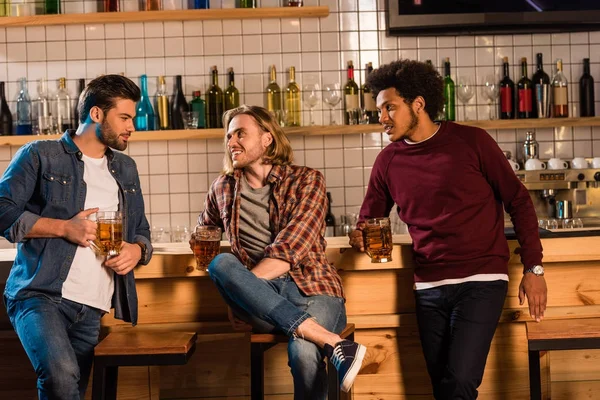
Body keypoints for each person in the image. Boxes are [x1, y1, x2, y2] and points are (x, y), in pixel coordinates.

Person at [348, 60, 547, 400]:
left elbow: (519, 201)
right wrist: (360, 236)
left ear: (419, 104)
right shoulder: (387, 162)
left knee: (459, 381)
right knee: (444, 387)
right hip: (428, 287)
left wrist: (534, 267)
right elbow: (369, 221)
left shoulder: (473, 142)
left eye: (389, 108)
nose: (381, 118)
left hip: (481, 281)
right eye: (379, 110)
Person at [194, 105, 366, 397]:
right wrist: (236, 291)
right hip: (266, 295)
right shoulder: (222, 188)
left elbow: (291, 250)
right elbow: (204, 237)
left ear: (267, 138)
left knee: (303, 350)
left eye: (240, 134)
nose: (231, 142)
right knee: (221, 263)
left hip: (314, 288)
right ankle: (333, 342)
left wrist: (246, 291)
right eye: (228, 136)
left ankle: (320, 338)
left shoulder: (308, 180)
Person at [0, 74, 153, 400]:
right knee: (61, 377)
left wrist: (137, 251)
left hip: (93, 306)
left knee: (70, 390)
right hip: (40, 297)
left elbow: (141, 232)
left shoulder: (126, 168)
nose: (132, 127)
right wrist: (63, 227)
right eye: (124, 117)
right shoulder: (41, 155)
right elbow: (2, 210)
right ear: (96, 114)